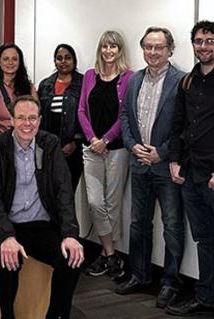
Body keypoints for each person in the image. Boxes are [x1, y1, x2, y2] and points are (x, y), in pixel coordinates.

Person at [0, 95, 84, 319]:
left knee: (72, 258)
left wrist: (69, 234)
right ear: (11, 120)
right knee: (8, 261)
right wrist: (6, 236)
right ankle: (7, 316)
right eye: (21, 118)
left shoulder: (50, 144)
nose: (27, 124)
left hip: (42, 224)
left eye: (32, 118)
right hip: (10, 226)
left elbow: (63, 190)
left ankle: (56, 315)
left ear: (40, 120)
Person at [117, 27, 185, 309]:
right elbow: (125, 115)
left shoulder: (181, 81)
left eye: (159, 47)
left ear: (170, 49)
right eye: (148, 47)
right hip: (139, 161)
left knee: (171, 225)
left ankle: (170, 282)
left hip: (165, 165)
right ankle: (141, 275)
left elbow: (185, 125)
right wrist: (133, 146)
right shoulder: (134, 79)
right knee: (138, 223)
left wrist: (163, 153)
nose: (153, 52)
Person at [166, 20, 214, 317]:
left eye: (210, 40)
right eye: (199, 41)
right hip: (190, 173)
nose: (204, 46)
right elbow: (178, 124)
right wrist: (173, 160)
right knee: (205, 239)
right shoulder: (188, 81)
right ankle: (206, 296)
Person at [78, 30, 133, 279]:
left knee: (112, 204)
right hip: (91, 149)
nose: (108, 51)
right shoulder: (90, 75)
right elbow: (81, 111)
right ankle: (111, 254)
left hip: (117, 150)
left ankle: (105, 254)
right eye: (105, 46)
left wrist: (107, 139)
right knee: (95, 203)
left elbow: (125, 115)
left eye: (113, 47)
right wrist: (93, 139)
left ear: (120, 50)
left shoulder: (129, 78)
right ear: (100, 49)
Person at [38, 44, 84, 191]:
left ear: (74, 60)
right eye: (59, 58)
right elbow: (40, 118)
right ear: (54, 61)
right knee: (51, 190)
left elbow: (86, 115)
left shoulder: (83, 83)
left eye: (68, 58)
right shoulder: (45, 84)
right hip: (50, 147)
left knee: (69, 190)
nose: (63, 61)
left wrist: (75, 142)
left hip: (74, 148)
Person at [0, 43, 38, 138]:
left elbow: (36, 116)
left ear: (20, 62)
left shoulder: (28, 87)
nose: (10, 62)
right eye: (6, 59)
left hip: (24, 142)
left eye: (14, 59)